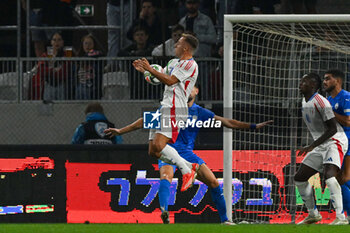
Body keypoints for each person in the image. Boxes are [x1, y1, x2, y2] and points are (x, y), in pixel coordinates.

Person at [104, 85, 273, 224]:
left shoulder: (200, 112)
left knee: (213, 182)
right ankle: (164, 213)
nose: (187, 91)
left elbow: (227, 122)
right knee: (166, 177)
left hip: (187, 154)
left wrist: (253, 126)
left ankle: (225, 221)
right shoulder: (171, 108)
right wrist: (120, 130)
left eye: (190, 88)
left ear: (197, 91)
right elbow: (144, 121)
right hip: (168, 150)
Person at [107, 33, 200, 192]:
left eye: (178, 43)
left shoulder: (190, 65)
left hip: (175, 108)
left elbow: (170, 81)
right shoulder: (173, 63)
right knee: (153, 151)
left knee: (158, 145)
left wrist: (150, 68)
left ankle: (187, 170)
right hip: (165, 106)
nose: (175, 45)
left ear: (185, 48)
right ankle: (190, 166)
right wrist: (145, 71)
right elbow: (160, 77)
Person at [295, 73, 348, 225]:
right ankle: (313, 214)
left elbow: (332, 129)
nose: (300, 83)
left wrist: (311, 146)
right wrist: (314, 146)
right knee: (299, 178)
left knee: (330, 176)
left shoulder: (320, 102)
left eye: (304, 81)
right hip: (321, 145)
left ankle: (341, 218)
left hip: (335, 141)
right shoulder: (304, 101)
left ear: (313, 85)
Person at [323, 69, 350, 222]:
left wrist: (330, 112)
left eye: (328, 79)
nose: (324, 82)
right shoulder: (328, 100)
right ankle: (345, 216)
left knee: (343, 178)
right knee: (339, 178)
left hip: (348, 139)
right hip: (336, 142)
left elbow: (348, 121)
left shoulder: (346, 97)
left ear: (337, 81)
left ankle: (345, 216)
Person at [29, 32, 72, 100]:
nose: (56, 42)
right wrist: (54, 70)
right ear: (51, 42)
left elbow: (65, 71)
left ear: (63, 42)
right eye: (54, 40)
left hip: (62, 84)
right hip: (48, 84)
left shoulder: (67, 52)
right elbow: (41, 70)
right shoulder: (47, 54)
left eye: (59, 40)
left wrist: (50, 71)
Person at [75, 34, 103, 100]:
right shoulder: (79, 57)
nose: (88, 46)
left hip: (92, 86)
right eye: (86, 43)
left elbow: (99, 53)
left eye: (90, 43)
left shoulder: (97, 54)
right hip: (80, 86)